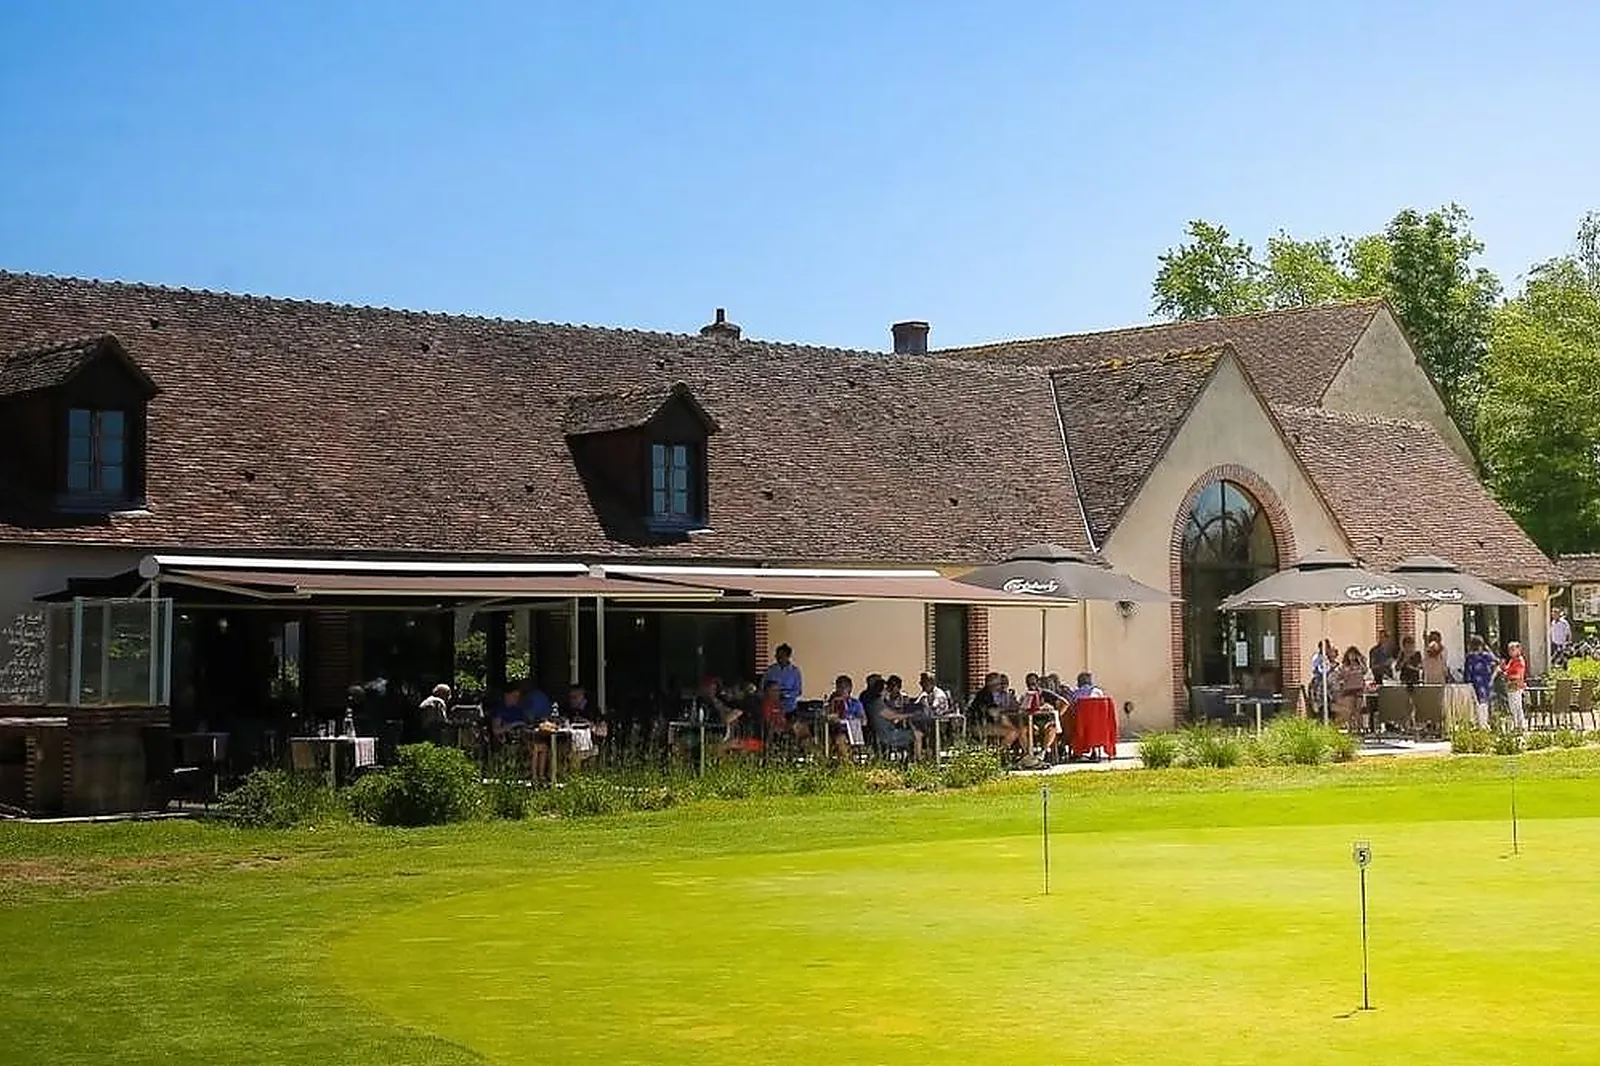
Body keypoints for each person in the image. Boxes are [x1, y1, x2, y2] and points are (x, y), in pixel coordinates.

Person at [826, 674, 866, 761]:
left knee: (840, 740)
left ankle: (846, 764)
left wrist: (852, 719)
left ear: (850, 688)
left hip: (852, 731)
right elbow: (828, 716)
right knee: (832, 739)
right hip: (836, 730)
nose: (841, 689)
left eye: (844, 687)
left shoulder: (856, 703)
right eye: (839, 687)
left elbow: (864, 721)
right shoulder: (834, 701)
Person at [1464, 635, 1498, 729]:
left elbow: (1467, 672)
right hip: (1486, 682)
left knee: (1476, 703)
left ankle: (1479, 724)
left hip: (1473, 682)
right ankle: (1484, 723)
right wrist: (1492, 677)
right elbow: (1497, 663)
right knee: (1484, 703)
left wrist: (1467, 682)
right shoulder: (1487, 656)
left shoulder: (1470, 657)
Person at [1332, 647, 1368, 730]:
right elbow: (1338, 676)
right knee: (1350, 710)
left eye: (1354, 654)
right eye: (1350, 654)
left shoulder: (1359, 665)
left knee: (1358, 710)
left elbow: (1365, 671)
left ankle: (1359, 727)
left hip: (1359, 689)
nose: (1352, 656)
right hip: (1348, 690)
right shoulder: (1344, 666)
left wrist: (1361, 661)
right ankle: (1350, 728)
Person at [762, 644, 803, 715]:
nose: (779, 657)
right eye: (777, 655)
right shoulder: (770, 670)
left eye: (782, 655)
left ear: (788, 656)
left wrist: (785, 695)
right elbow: (763, 686)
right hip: (772, 709)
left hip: (789, 708)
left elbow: (798, 691)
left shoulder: (795, 672)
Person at [1503, 641, 1528, 731]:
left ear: (1518, 650)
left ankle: (1518, 724)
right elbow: (1507, 669)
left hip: (1515, 684)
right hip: (1511, 684)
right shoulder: (1512, 660)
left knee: (1515, 706)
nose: (1510, 652)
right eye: (1509, 650)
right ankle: (1518, 724)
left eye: (1513, 649)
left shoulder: (1519, 661)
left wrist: (1507, 675)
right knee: (1515, 706)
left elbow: (1517, 674)